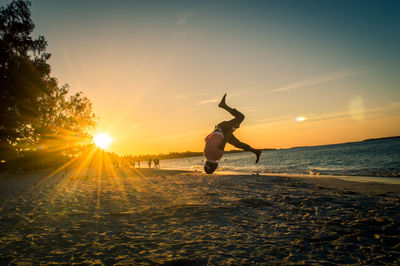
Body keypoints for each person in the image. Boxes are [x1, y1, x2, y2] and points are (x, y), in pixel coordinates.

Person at [204, 93, 261, 174]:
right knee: (237, 144)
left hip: (223, 130)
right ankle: (256, 151)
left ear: (214, 166)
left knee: (241, 117)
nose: (216, 168)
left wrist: (234, 128)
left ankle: (223, 105)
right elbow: (208, 141)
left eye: (214, 169)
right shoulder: (206, 155)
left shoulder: (216, 156)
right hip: (219, 130)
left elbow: (225, 139)